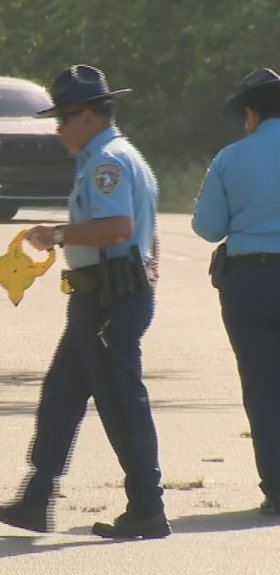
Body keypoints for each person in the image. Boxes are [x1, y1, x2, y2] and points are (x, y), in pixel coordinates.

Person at [0, 65, 170, 539]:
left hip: (112, 297)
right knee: (62, 396)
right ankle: (37, 496)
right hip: (101, 296)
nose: (59, 130)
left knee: (120, 404)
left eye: (63, 119)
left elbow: (119, 229)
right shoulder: (110, 157)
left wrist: (59, 234)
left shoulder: (107, 161)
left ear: (86, 116)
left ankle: (148, 506)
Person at [192, 67, 280, 516]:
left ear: (250, 114)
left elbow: (207, 227)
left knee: (262, 386)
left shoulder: (230, 158)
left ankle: (277, 488)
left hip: (248, 282)